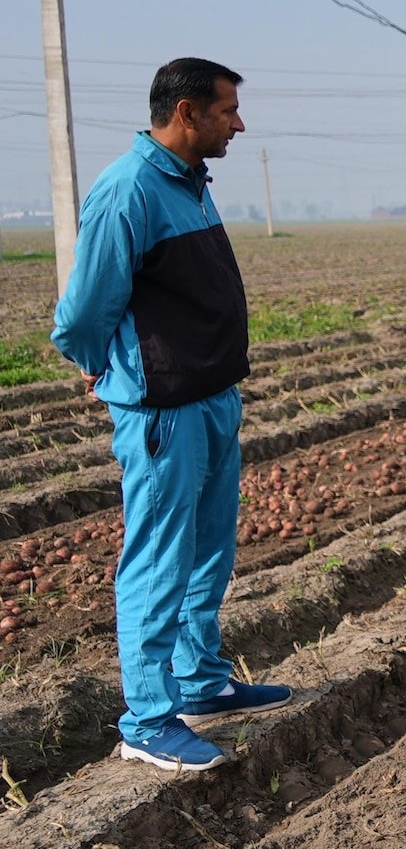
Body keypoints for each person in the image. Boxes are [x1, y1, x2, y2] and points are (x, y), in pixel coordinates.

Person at [51, 58, 291, 772]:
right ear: (186, 113)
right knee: (157, 560)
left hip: (212, 396)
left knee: (208, 550)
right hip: (163, 408)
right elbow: (84, 309)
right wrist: (103, 364)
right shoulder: (129, 190)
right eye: (227, 111)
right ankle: (149, 721)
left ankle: (200, 682)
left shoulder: (189, 184)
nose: (238, 124)